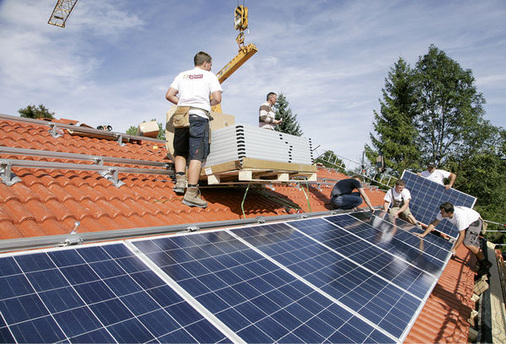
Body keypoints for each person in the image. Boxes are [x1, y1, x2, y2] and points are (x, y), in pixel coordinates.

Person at [165, 51, 223, 208]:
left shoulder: (182, 75)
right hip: (198, 116)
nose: (211, 67)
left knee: (180, 149)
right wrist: (206, 104)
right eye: (210, 64)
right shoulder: (209, 75)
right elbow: (217, 98)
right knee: (196, 154)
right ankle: (191, 193)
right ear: (205, 63)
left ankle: (179, 182)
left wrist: (183, 103)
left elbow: (169, 95)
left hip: (182, 114)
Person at [415, 202, 492, 276]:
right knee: (469, 243)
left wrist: (454, 249)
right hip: (468, 220)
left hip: (474, 222)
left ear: (449, 213)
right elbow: (434, 223)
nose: (440, 213)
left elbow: (462, 235)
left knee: (467, 243)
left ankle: (485, 263)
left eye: (442, 212)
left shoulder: (459, 217)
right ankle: (482, 261)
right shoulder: (444, 211)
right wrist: (423, 234)